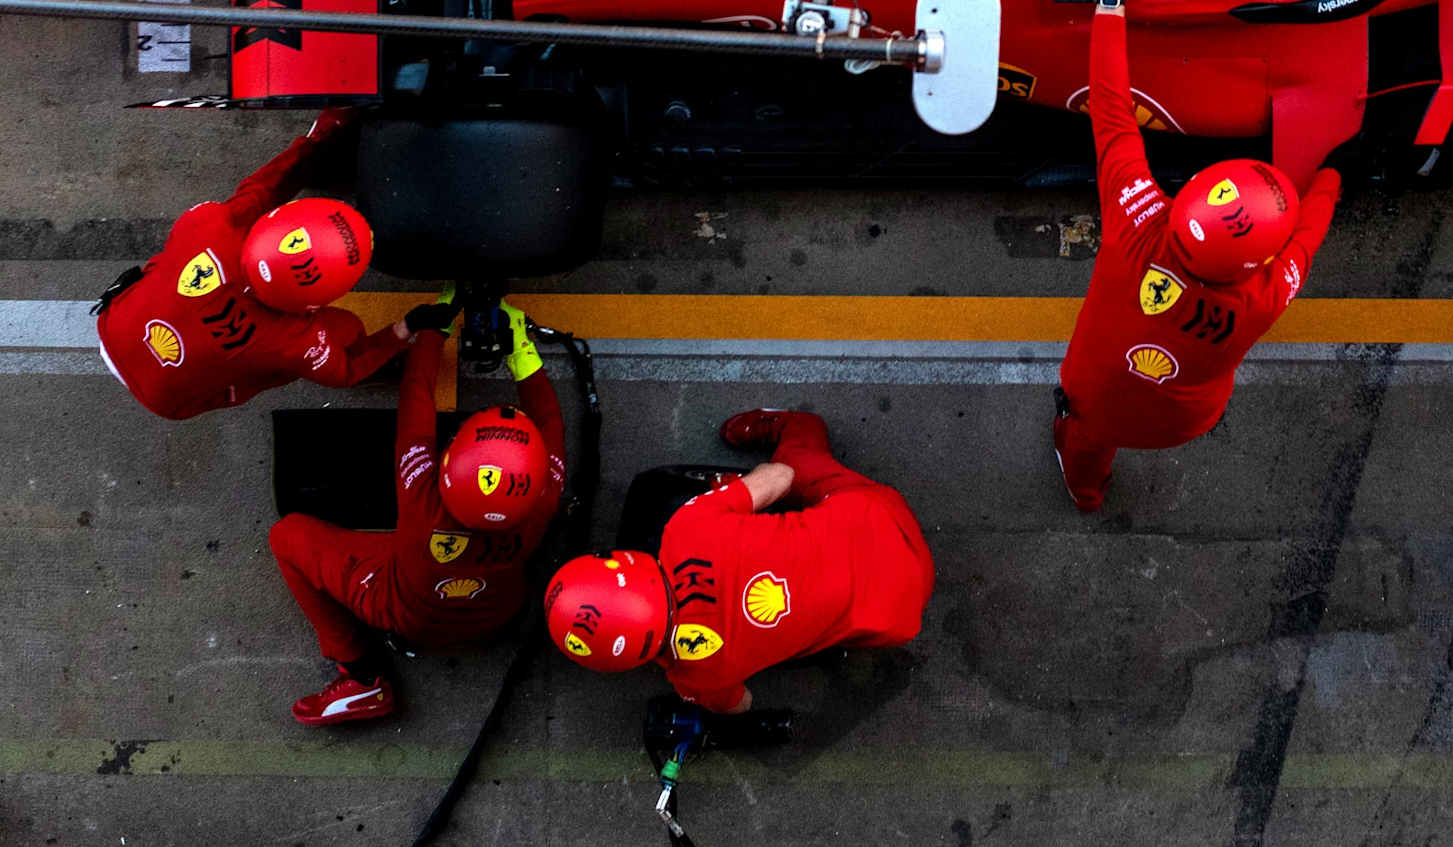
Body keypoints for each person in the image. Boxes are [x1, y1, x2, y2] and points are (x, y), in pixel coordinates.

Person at [1052, 0, 1342, 509]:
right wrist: (1334, 174)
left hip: (1093, 401)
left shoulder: (1136, 223)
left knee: (1083, 447)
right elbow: (1308, 236)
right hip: (1181, 423)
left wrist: (1110, 3)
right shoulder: (1263, 298)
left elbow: (1113, 116)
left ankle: (1086, 493)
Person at [270, 304, 565, 725]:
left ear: (447, 465)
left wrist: (434, 329)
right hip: (494, 614)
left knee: (286, 536)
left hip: (404, 609)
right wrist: (520, 347)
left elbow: (416, 398)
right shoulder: (542, 501)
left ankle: (360, 676)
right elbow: (551, 420)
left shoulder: (420, 498)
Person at [544, 408, 935, 715]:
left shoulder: (696, 676)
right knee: (796, 460)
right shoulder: (686, 529)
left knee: (801, 643)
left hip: (898, 614)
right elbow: (780, 476)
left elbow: (741, 703)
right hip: (881, 516)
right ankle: (791, 424)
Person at [92, 108, 410, 420]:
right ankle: (383, 368)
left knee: (248, 203)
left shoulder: (211, 226)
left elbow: (261, 194)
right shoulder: (293, 339)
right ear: (311, 306)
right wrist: (395, 336)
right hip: (164, 393)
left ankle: (318, 149)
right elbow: (344, 371)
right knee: (346, 330)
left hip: (119, 326)